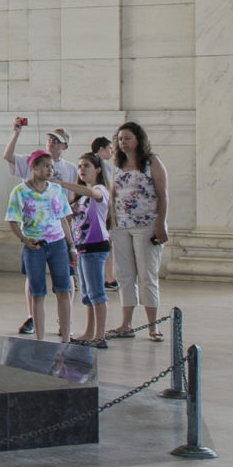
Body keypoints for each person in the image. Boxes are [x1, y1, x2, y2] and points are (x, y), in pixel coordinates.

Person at [106, 119, 169, 339]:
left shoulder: (151, 162)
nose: (123, 143)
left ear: (138, 140)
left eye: (128, 138)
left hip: (147, 225)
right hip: (121, 225)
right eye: (121, 139)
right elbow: (113, 195)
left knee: (147, 275)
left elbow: (163, 195)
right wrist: (110, 223)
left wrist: (160, 224)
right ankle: (126, 324)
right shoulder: (118, 164)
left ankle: (153, 325)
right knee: (124, 275)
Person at [5, 152, 75, 345]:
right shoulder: (20, 192)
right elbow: (12, 220)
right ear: (33, 168)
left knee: (63, 289)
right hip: (34, 245)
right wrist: (24, 239)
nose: (49, 170)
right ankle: (40, 339)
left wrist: (71, 246)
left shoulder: (56, 190)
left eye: (51, 167)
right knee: (38, 292)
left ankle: (67, 337)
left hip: (57, 242)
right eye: (45, 166)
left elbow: (63, 219)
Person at [71, 153, 112, 347]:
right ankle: (89, 331)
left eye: (86, 166)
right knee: (87, 292)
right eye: (79, 166)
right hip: (83, 246)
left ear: (97, 169)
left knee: (96, 291)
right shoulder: (81, 197)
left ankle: (100, 335)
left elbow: (95, 195)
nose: (82, 170)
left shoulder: (99, 189)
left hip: (96, 246)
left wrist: (64, 184)